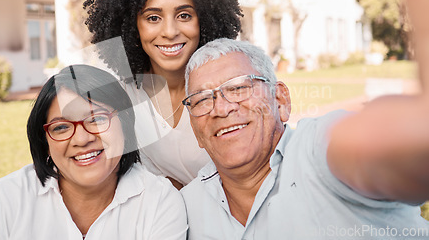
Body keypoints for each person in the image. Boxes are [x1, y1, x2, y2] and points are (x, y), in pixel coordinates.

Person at [180, 37, 429, 239]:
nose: (222, 109)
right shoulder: (183, 210)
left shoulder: (316, 150)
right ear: (195, 129)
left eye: (238, 88)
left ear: (280, 100)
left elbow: (385, 149)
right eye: (201, 100)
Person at [0, 65, 187, 239]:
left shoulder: (160, 202)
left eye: (98, 119)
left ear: (125, 123)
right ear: (45, 142)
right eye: (61, 127)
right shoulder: (4, 199)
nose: (82, 139)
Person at [83, 0, 243, 188]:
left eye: (184, 15)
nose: (169, 31)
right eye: (153, 18)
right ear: (131, 25)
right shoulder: (122, 100)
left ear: (205, 21)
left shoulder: (232, 89)